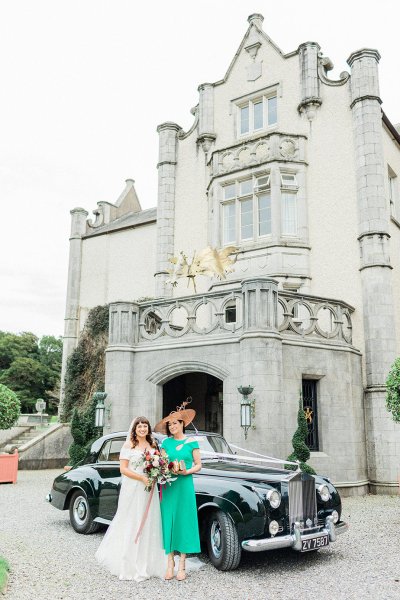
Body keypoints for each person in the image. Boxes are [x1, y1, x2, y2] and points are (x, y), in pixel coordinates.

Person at [95, 416, 167, 581]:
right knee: (132, 520)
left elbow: (158, 463)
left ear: (148, 429)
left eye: (145, 426)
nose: (142, 429)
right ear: (134, 429)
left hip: (149, 487)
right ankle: (129, 563)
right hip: (134, 486)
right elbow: (123, 469)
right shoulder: (128, 445)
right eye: (139, 426)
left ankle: (148, 561)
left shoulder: (153, 445)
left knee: (150, 520)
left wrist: (156, 473)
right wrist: (141, 478)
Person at [155, 399, 202, 581]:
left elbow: (199, 465)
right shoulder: (165, 443)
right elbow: (163, 462)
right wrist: (163, 468)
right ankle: (170, 563)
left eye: (175, 423)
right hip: (168, 485)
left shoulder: (192, 442)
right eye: (170, 424)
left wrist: (186, 471)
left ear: (183, 423)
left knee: (183, 521)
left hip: (184, 485)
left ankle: (182, 564)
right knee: (168, 521)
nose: (173, 426)